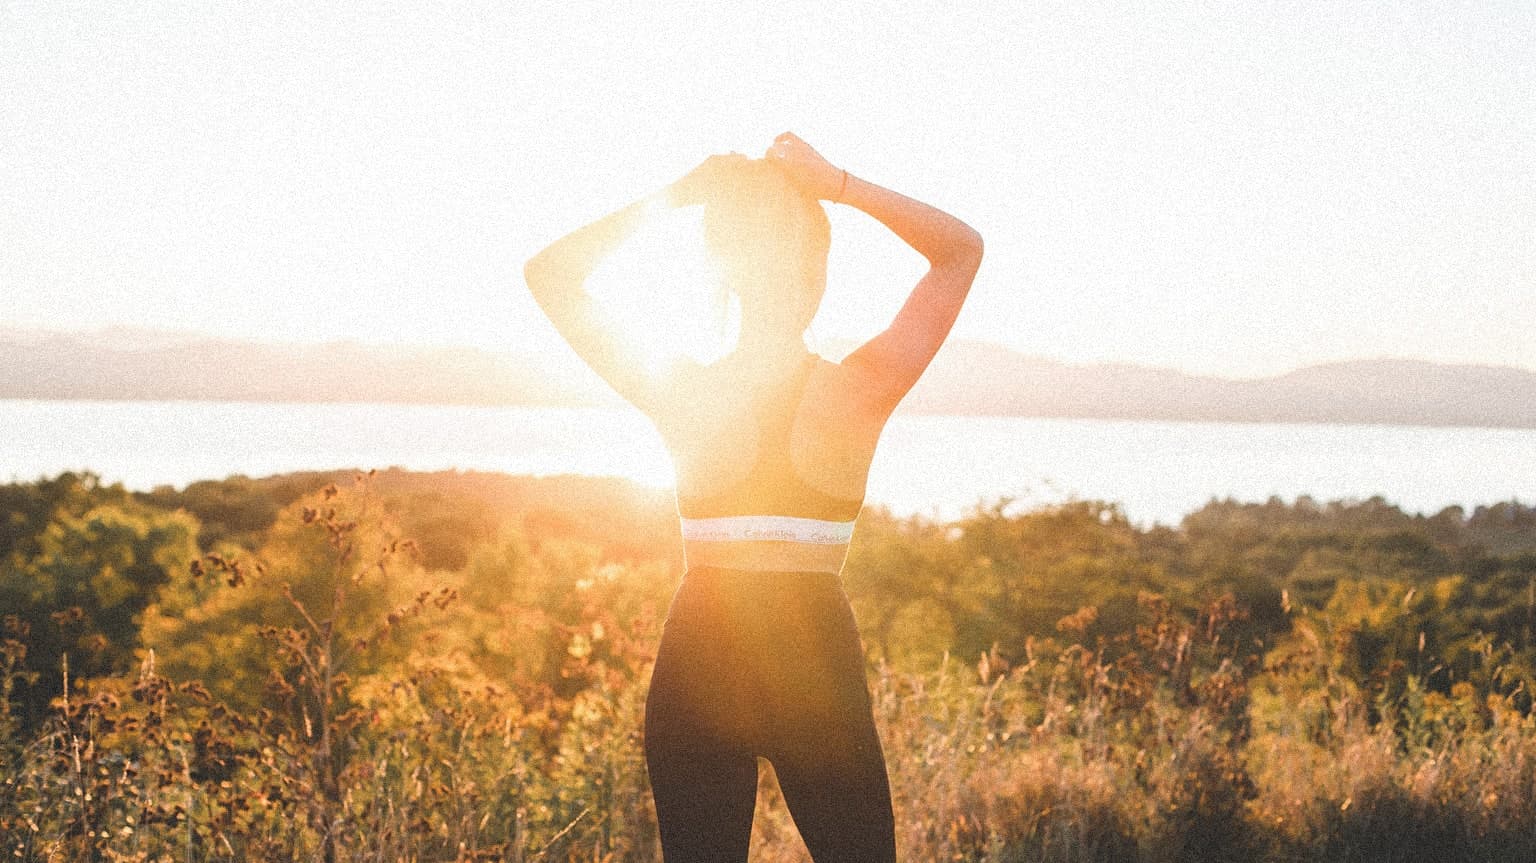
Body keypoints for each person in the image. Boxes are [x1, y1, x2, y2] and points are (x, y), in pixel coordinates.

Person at [524, 132, 982, 862]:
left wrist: (681, 191)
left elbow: (551, 274)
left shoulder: (683, 392)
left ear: (726, 268)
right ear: (820, 271)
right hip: (815, 668)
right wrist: (836, 182)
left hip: (700, 660)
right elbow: (960, 250)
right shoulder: (859, 392)